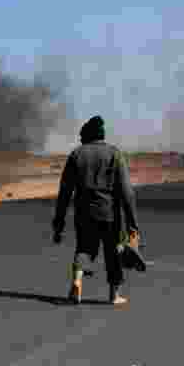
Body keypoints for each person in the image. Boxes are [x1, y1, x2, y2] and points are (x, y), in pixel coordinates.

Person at [52, 115, 140, 306]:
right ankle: (114, 295)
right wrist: (133, 223)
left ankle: (76, 283)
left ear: (86, 134)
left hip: (84, 214)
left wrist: (58, 223)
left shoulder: (76, 155)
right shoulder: (114, 154)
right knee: (114, 253)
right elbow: (126, 191)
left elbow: (65, 192)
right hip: (110, 214)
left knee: (83, 249)